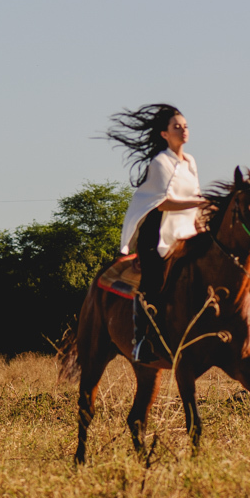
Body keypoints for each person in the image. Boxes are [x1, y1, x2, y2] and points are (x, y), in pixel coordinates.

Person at [106, 104, 207, 362]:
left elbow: (194, 197)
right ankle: (141, 341)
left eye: (185, 126)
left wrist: (202, 223)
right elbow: (163, 203)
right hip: (158, 235)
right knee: (153, 285)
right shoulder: (160, 162)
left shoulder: (191, 161)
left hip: (185, 233)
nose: (183, 131)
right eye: (176, 127)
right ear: (164, 134)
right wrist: (198, 203)